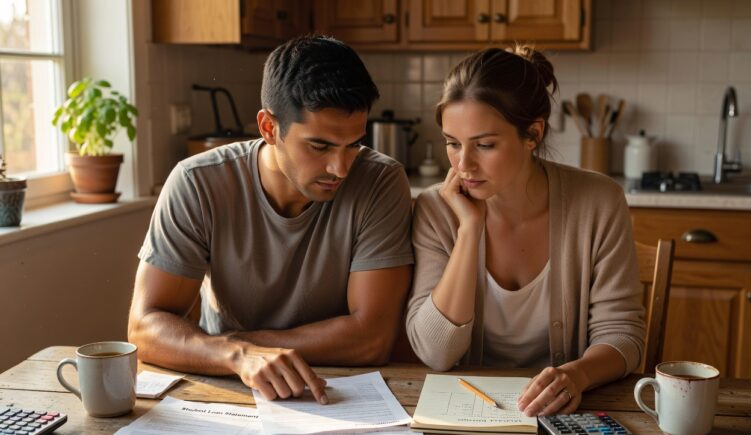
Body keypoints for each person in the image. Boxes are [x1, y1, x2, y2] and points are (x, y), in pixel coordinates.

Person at [128, 35, 414, 405]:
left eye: (353, 144)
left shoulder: (380, 181)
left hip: (342, 392)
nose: (340, 168)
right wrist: (238, 356)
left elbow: (371, 339)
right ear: (268, 128)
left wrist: (240, 346)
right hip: (229, 383)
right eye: (320, 145)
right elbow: (143, 328)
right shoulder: (197, 182)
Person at [405, 45, 646, 417]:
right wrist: (470, 230)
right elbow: (435, 352)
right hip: (469, 413)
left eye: (484, 145)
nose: (464, 164)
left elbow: (624, 336)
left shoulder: (599, 201)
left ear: (532, 134)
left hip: (567, 413)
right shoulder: (437, 210)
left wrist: (575, 376)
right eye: (453, 144)